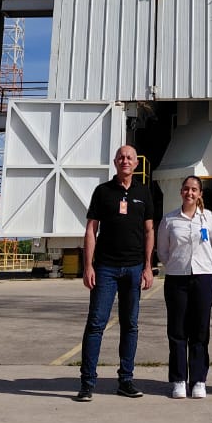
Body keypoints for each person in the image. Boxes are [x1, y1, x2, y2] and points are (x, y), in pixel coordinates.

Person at [76, 145, 154, 402]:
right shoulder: (103, 192)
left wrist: (148, 266)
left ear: (136, 163)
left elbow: (149, 231)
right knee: (96, 324)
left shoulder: (144, 192)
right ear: (115, 162)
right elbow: (91, 230)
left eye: (130, 157)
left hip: (133, 268)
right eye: (121, 157)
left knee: (130, 325)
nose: (125, 161)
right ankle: (87, 383)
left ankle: (126, 380)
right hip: (106, 268)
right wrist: (88, 266)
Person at [156, 175, 212, 399]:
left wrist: (206, 266)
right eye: (186, 189)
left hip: (203, 278)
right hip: (177, 279)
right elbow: (162, 251)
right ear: (181, 192)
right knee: (177, 330)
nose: (190, 193)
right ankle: (178, 380)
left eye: (194, 189)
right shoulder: (169, 220)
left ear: (200, 193)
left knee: (200, 330)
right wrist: (176, 265)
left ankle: (198, 380)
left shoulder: (209, 219)